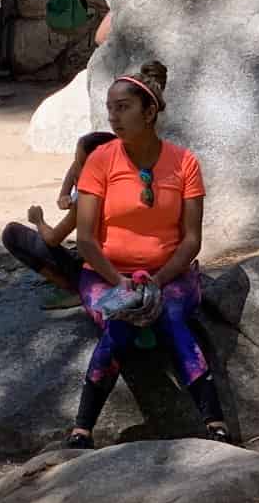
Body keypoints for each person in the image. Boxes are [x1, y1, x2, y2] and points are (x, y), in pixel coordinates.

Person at [63, 62, 233, 448]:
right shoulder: (100, 160)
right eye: (111, 108)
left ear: (150, 111)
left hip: (170, 275)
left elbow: (191, 240)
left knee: (170, 316)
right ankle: (82, 428)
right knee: (121, 320)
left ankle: (215, 423)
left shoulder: (185, 163)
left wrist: (157, 281)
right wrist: (119, 281)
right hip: (106, 274)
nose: (113, 116)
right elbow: (86, 238)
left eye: (123, 107)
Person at [1, 130, 118, 294]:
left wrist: (39, 221)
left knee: (11, 234)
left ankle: (70, 285)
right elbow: (74, 168)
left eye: (79, 163)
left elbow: (53, 239)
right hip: (125, 266)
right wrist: (65, 192)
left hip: (97, 271)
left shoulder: (88, 198)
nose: (75, 167)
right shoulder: (127, 182)